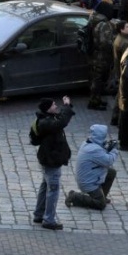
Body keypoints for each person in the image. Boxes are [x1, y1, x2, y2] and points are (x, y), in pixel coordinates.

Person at [32, 96, 75, 230]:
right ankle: (49, 219)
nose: (56, 106)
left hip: (48, 158)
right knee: (53, 190)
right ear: (48, 109)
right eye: (53, 105)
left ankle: (39, 214)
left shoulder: (47, 119)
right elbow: (62, 122)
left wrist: (66, 108)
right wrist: (67, 106)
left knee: (45, 186)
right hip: (51, 160)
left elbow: (61, 119)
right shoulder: (46, 123)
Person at [65, 124, 118, 211]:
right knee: (101, 204)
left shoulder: (88, 143)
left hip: (89, 177)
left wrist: (107, 146)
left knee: (111, 173)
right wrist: (114, 150)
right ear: (101, 136)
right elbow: (109, 161)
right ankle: (74, 196)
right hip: (88, 182)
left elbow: (101, 153)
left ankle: (102, 196)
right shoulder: (94, 149)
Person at [83, 0, 115, 111]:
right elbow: (105, 43)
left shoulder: (93, 19)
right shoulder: (103, 24)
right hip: (101, 57)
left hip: (93, 54)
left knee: (95, 78)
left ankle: (95, 99)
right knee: (98, 80)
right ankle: (94, 101)